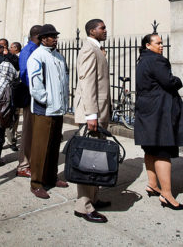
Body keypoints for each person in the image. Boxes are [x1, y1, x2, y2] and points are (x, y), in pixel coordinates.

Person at [134, 33, 183, 210]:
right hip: (159, 110)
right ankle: (167, 194)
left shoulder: (143, 60)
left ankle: (153, 184)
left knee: (150, 148)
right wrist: (178, 80)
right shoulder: (157, 60)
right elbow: (169, 82)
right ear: (147, 45)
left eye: (162, 43)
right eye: (158, 43)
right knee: (162, 151)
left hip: (147, 109)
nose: (161, 46)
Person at [73, 19, 111, 223]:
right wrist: (91, 114)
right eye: (102, 28)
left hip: (100, 111)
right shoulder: (88, 49)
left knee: (97, 159)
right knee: (89, 160)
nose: (105, 31)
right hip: (93, 113)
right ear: (92, 31)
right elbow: (87, 82)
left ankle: (93, 198)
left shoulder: (98, 48)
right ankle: (83, 206)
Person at [27, 24, 69, 199]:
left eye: (56, 36)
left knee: (53, 145)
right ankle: (36, 183)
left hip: (57, 108)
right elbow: (35, 84)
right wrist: (46, 100)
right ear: (44, 38)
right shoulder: (37, 56)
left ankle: (51, 176)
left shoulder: (58, 56)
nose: (55, 39)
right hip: (44, 109)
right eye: (52, 36)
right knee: (40, 147)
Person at [15, 25, 42, 178]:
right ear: (37, 36)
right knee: (28, 131)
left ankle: (31, 161)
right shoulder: (28, 50)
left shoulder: (37, 50)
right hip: (31, 96)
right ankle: (24, 165)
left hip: (36, 97)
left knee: (34, 132)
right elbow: (25, 75)